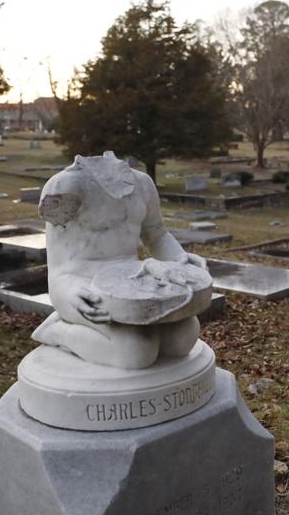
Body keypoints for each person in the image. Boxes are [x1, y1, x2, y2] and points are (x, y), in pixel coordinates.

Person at [32, 152, 206, 369]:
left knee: (183, 338)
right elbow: (58, 267)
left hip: (132, 285)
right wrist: (67, 291)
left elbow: (157, 235)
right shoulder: (65, 186)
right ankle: (57, 331)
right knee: (136, 352)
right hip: (81, 287)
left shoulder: (142, 183)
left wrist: (181, 261)